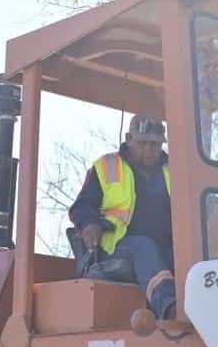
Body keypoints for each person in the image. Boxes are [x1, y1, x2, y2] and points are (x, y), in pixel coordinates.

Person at [69, 115, 176, 319]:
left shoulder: (175, 170)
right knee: (143, 246)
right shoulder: (106, 166)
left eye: (155, 144)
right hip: (116, 248)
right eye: (143, 143)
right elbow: (82, 206)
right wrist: (89, 224)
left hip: (166, 248)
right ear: (128, 138)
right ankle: (171, 308)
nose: (149, 150)